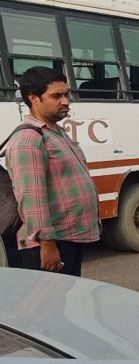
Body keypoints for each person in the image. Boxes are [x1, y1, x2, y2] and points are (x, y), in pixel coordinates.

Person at [5, 66, 100, 276]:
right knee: (50, 306)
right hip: (51, 244)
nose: (65, 101)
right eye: (56, 96)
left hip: (69, 239)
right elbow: (32, 197)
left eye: (66, 94)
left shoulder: (55, 132)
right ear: (34, 99)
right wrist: (47, 245)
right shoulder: (28, 140)